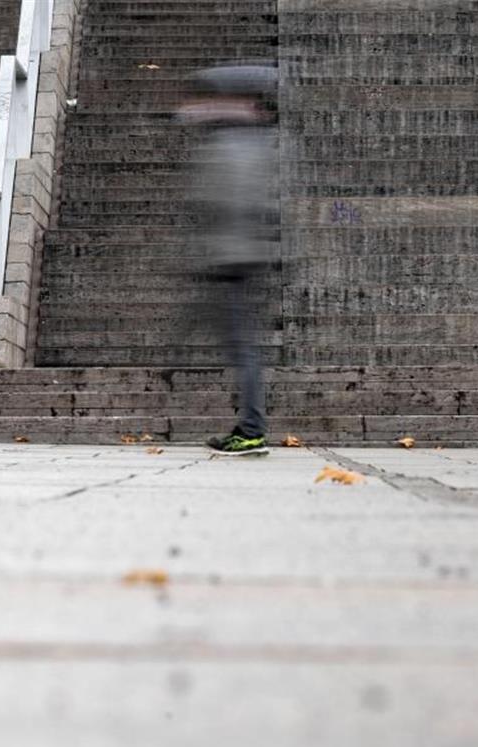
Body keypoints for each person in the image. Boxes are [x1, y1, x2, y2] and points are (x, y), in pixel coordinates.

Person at [179, 65, 279, 456]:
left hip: (232, 258)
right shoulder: (246, 138)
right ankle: (249, 426)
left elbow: (232, 202)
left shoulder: (235, 143)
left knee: (243, 349)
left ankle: (252, 429)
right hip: (238, 254)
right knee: (241, 346)